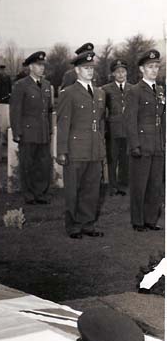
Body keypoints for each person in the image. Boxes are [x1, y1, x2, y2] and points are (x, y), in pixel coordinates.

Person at [57, 50, 106, 238]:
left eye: (92, 68)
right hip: (76, 149)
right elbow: (63, 124)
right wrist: (62, 151)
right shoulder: (69, 93)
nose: (90, 71)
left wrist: (101, 146)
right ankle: (74, 227)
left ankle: (88, 224)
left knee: (92, 189)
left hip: (94, 149)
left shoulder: (100, 93)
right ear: (77, 70)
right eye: (86, 68)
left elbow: (101, 122)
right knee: (73, 190)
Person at [124, 49, 165, 232]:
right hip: (141, 144)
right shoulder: (135, 91)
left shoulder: (160, 90)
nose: (154, 70)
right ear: (142, 69)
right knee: (139, 185)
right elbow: (130, 120)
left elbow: (162, 118)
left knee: (155, 184)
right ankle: (138, 221)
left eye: (156, 66)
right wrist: (134, 145)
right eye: (150, 67)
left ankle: (150, 219)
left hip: (158, 144)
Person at [10, 51, 53, 204]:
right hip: (28, 131)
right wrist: (17, 132)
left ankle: (40, 193)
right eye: (38, 65)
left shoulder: (46, 85)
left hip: (43, 131)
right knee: (28, 164)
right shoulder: (21, 85)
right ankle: (29, 195)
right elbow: (15, 110)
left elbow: (48, 110)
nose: (42, 68)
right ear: (30, 67)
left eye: (43, 65)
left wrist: (49, 129)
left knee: (43, 164)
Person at [102, 59, 131, 196]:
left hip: (128, 129)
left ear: (126, 73)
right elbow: (102, 111)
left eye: (123, 71)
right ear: (113, 74)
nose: (120, 74)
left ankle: (123, 185)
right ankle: (113, 186)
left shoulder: (133, 88)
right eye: (117, 72)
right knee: (112, 158)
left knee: (126, 158)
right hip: (112, 130)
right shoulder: (106, 89)